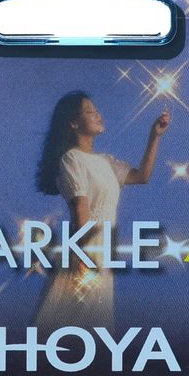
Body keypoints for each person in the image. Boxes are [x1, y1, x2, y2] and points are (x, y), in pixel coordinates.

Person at [33, 91, 171, 333]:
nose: (98, 115)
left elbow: (141, 176)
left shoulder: (106, 161)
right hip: (87, 249)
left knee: (92, 324)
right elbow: (80, 209)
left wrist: (155, 136)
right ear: (73, 123)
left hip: (103, 250)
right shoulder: (71, 159)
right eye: (89, 111)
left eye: (97, 110)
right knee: (70, 320)